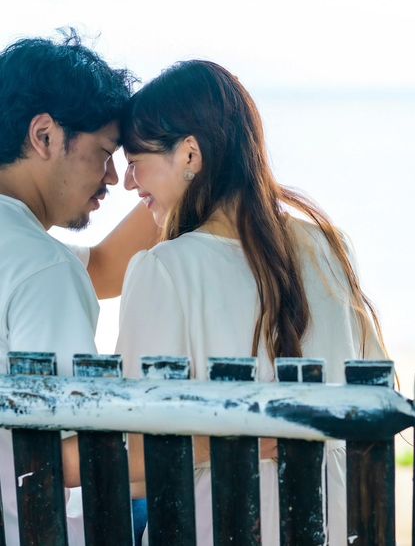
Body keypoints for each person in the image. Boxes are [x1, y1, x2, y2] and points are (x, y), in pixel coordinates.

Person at [110, 59, 388, 545]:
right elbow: (371, 404)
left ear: (190, 154)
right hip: (334, 527)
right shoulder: (328, 247)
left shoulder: (164, 270)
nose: (130, 183)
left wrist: (241, 435)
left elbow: (133, 457)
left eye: (136, 161)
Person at [0, 30, 138, 546]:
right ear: (44, 136)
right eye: (104, 152)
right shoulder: (43, 268)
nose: (114, 177)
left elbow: (102, 266)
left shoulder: (29, 256)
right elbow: (68, 454)